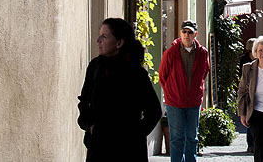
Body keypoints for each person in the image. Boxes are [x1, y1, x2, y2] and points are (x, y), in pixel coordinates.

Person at [78, 18, 162, 161]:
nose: (98, 40)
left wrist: (134, 135)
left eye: (104, 36)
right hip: (99, 148)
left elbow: (154, 111)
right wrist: (89, 125)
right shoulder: (95, 67)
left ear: (119, 43)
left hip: (128, 152)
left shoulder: (136, 74)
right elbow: (84, 102)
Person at [159, 20, 210, 162]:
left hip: (193, 102)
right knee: (176, 138)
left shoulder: (202, 53)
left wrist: (197, 91)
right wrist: (171, 92)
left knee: (192, 137)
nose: (187, 35)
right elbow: (162, 76)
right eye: (184, 32)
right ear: (180, 33)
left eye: (190, 32)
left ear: (195, 34)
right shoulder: (170, 53)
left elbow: (204, 73)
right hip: (175, 102)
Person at [239, 37, 258, 152]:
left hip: (257, 90)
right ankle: (251, 144)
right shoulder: (244, 59)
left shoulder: (261, 58)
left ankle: (256, 143)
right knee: (249, 118)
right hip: (247, 91)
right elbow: (242, 75)